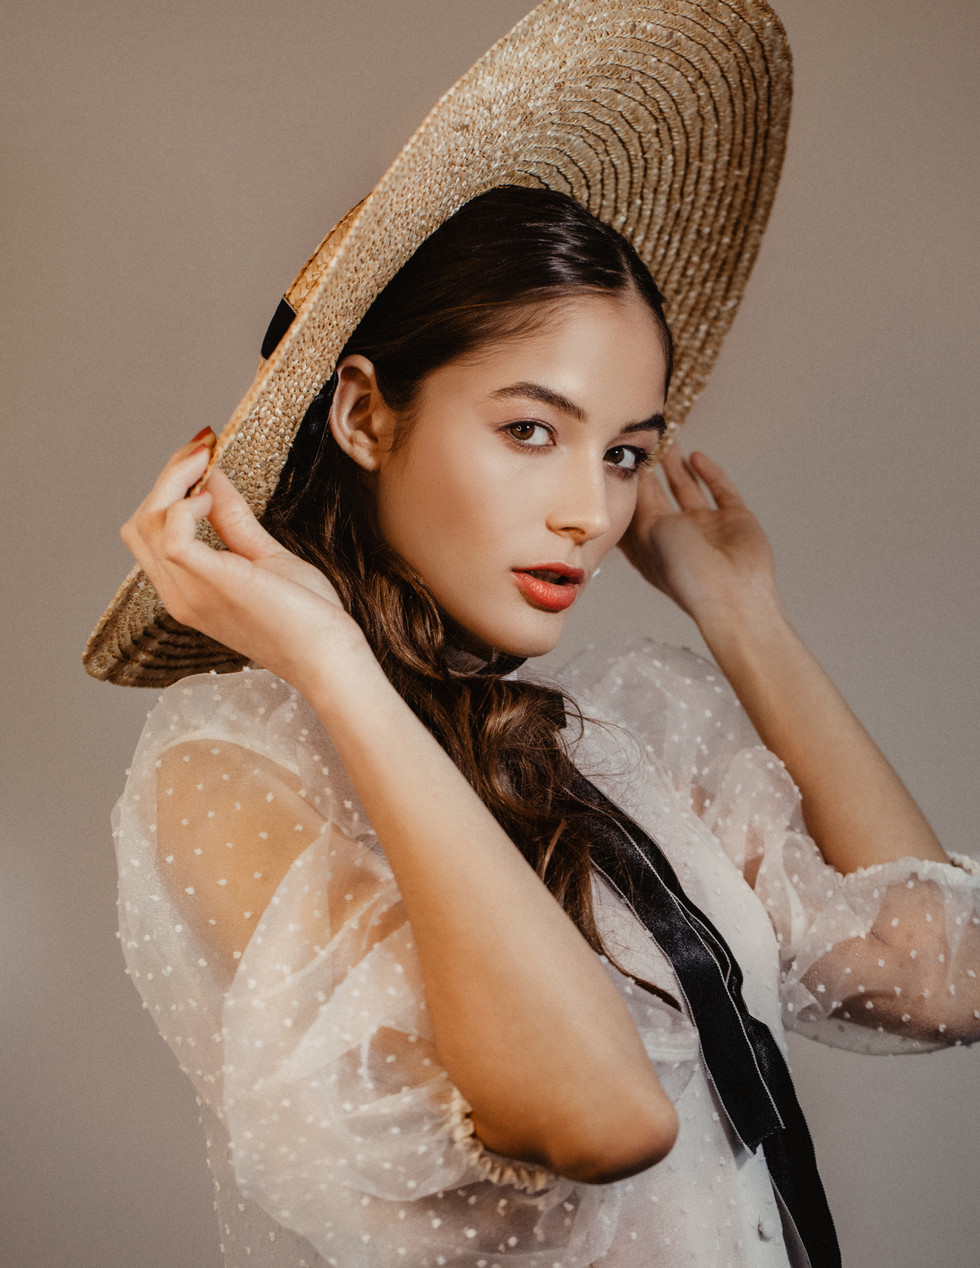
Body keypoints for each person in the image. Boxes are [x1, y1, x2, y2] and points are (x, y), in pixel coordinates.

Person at [84, 5, 979, 1267]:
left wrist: (742, 614)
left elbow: (941, 977)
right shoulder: (238, 762)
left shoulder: (620, 732)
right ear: (362, 414)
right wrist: (339, 667)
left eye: (621, 453)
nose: (590, 512)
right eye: (529, 430)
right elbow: (600, 1118)